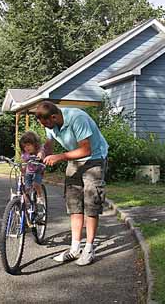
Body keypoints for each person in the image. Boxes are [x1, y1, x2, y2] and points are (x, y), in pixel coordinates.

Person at [36, 101, 108, 266]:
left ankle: (89, 249)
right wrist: (42, 153)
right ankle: (75, 249)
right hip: (74, 161)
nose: (45, 126)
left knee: (91, 204)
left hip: (94, 159)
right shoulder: (50, 124)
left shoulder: (77, 118)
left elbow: (86, 150)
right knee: (74, 203)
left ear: (54, 117)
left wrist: (60, 157)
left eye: (46, 123)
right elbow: (49, 144)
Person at [19, 131, 46, 203]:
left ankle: (40, 196)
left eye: (28, 145)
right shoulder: (25, 154)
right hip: (28, 172)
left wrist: (40, 155)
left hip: (38, 171)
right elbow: (23, 163)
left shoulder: (39, 151)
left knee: (36, 184)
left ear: (35, 144)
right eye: (24, 146)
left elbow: (42, 153)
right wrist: (22, 168)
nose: (26, 148)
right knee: (26, 188)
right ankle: (23, 206)